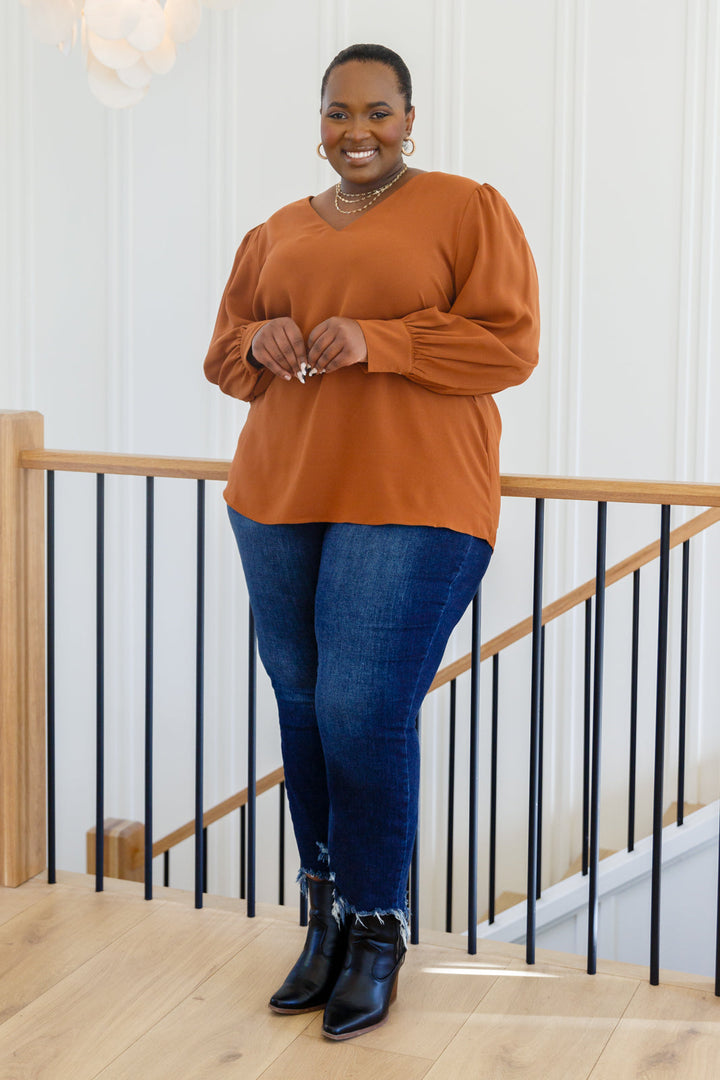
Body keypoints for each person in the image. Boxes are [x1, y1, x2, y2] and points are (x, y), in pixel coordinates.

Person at [204, 43, 540, 1040]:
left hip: (413, 492)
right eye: (339, 113)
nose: (358, 131)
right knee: (304, 705)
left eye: (378, 112)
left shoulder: (467, 208)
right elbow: (224, 356)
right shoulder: (275, 230)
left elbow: (508, 344)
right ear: (320, 122)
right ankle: (327, 920)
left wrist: (377, 338)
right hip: (278, 493)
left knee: (360, 706)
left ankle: (377, 929)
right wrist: (259, 341)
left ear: (409, 118)